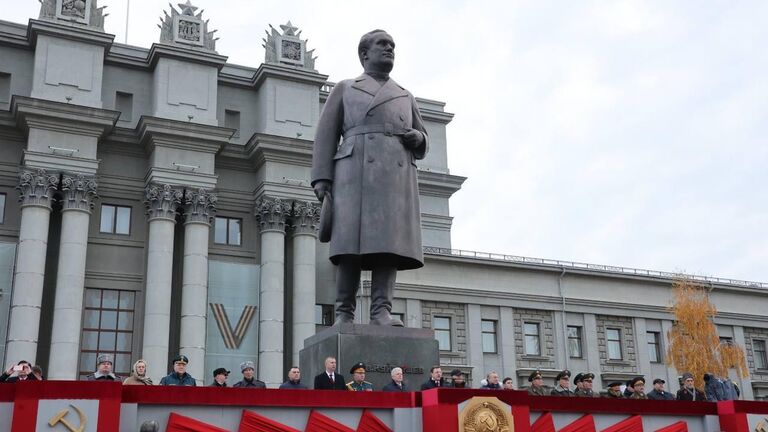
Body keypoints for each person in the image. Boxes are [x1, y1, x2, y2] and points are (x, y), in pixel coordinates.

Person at [311, 29, 429, 326]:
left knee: (388, 247)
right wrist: (322, 178)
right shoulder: (346, 88)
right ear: (364, 54)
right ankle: (343, 313)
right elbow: (325, 135)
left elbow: (423, 136)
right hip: (354, 173)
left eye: (392, 45)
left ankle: (381, 311)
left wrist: (419, 138)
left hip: (394, 179)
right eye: (382, 44)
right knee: (349, 246)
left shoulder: (405, 95)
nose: (389, 48)